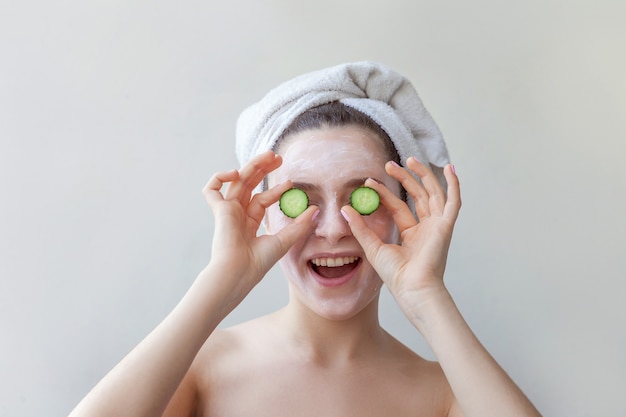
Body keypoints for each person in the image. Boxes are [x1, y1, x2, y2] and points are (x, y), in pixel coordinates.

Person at [69, 62, 542, 417]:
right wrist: (218, 285)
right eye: (300, 197)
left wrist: (427, 297)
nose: (334, 228)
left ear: (408, 211)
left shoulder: (447, 395)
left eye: (362, 197)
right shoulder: (199, 369)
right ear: (265, 213)